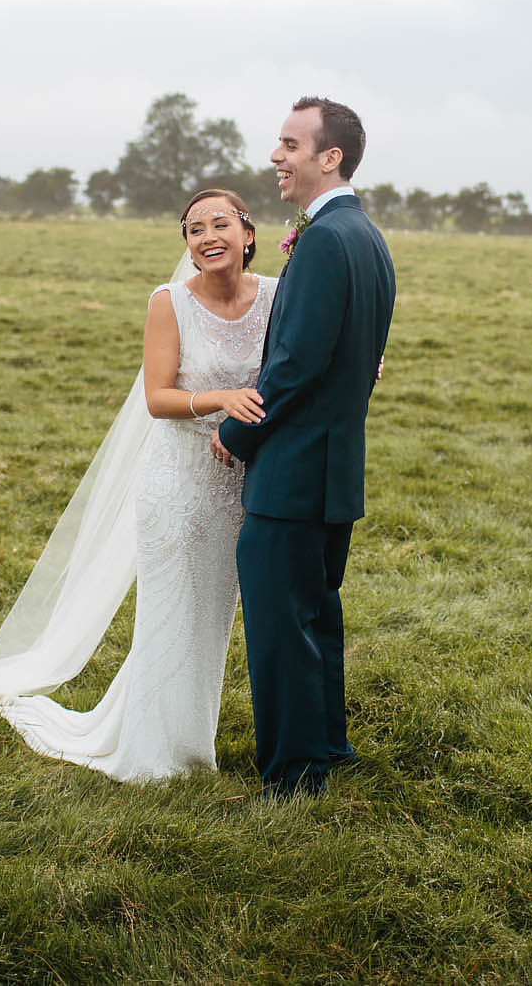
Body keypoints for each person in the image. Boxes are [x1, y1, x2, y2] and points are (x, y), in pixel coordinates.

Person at [0, 189, 275, 782]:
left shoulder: (279, 297)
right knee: (169, 615)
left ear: (248, 233)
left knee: (210, 620)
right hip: (177, 484)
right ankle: (158, 756)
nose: (207, 237)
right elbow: (158, 398)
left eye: (220, 224)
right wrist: (221, 400)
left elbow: (310, 355)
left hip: (238, 489)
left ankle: (178, 735)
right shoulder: (168, 302)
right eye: (193, 229)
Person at [214, 98, 395, 799]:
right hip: (334, 466)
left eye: (289, 144)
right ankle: (325, 748)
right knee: (316, 613)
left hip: (292, 471)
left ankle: (293, 775)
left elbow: (294, 363)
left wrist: (235, 432)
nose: (275, 157)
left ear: (331, 158)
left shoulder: (324, 239)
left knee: (281, 626)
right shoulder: (366, 234)